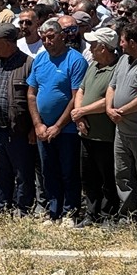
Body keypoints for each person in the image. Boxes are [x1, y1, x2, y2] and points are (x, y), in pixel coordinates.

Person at [28, 18, 89, 224]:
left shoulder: (75, 60)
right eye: (44, 38)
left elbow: (75, 97)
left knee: (68, 171)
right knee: (48, 171)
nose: (47, 42)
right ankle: (53, 212)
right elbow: (31, 94)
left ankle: (70, 212)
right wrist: (38, 124)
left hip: (67, 129)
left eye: (51, 37)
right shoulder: (40, 59)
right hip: (43, 129)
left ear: (62, 36)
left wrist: (58, 126)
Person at [0, 23, 35, 214]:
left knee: (22, 171)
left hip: (18, 129)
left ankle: (23, 207)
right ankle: (2, 206)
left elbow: (33, 98)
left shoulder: (28, 64)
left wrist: (33, 128)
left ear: (9, 43)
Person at [72, 27, 118, 226]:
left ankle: (108, 214)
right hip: (86, 133)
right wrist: (79, 115)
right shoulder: (93, 65)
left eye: (93, 45)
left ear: (104, 47)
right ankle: (92, 213)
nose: (90, 49)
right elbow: (81, 90)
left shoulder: (116, 68)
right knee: (88, 177)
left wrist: (82, 111)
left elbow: (109, 100)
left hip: (105, 135)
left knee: (107, 177)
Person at [106, 22, 137, 219]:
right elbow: (112, 86)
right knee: (122, 173)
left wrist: (122, 110)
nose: (120, 44)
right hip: (120, 129)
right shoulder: (123, 59)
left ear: (132, 42)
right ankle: (127, 214)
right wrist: (109, 108)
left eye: (122, 41)